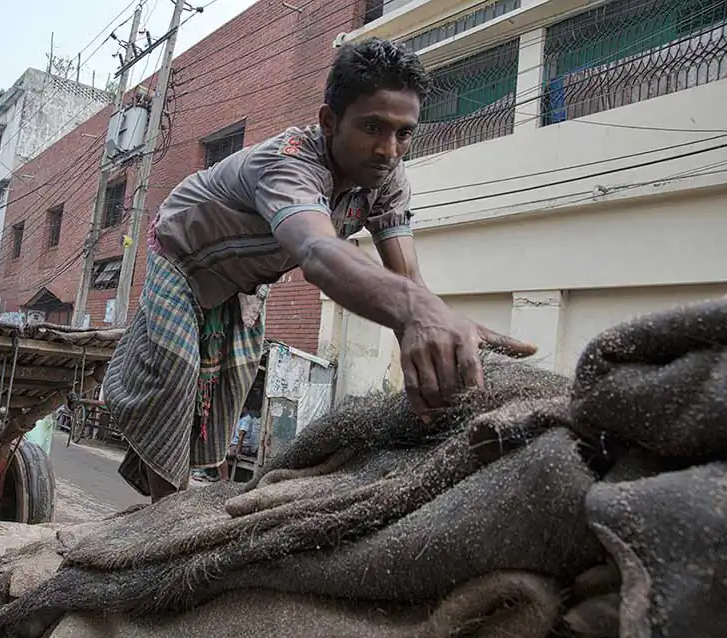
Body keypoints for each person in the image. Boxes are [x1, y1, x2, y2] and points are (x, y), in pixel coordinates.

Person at [102, 38, 536, 502]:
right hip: (181, 258)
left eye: (404, 133)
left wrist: (436, 350)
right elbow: (317, 249)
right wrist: (420, 312)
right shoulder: (289, 163)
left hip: (242, 282)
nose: (389, 149)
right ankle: (165, 516)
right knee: (176, 370)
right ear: (330, 121)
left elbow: (410, 284)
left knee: (230, 382)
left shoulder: (388, 181)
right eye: (373, 127)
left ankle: (183, 491)